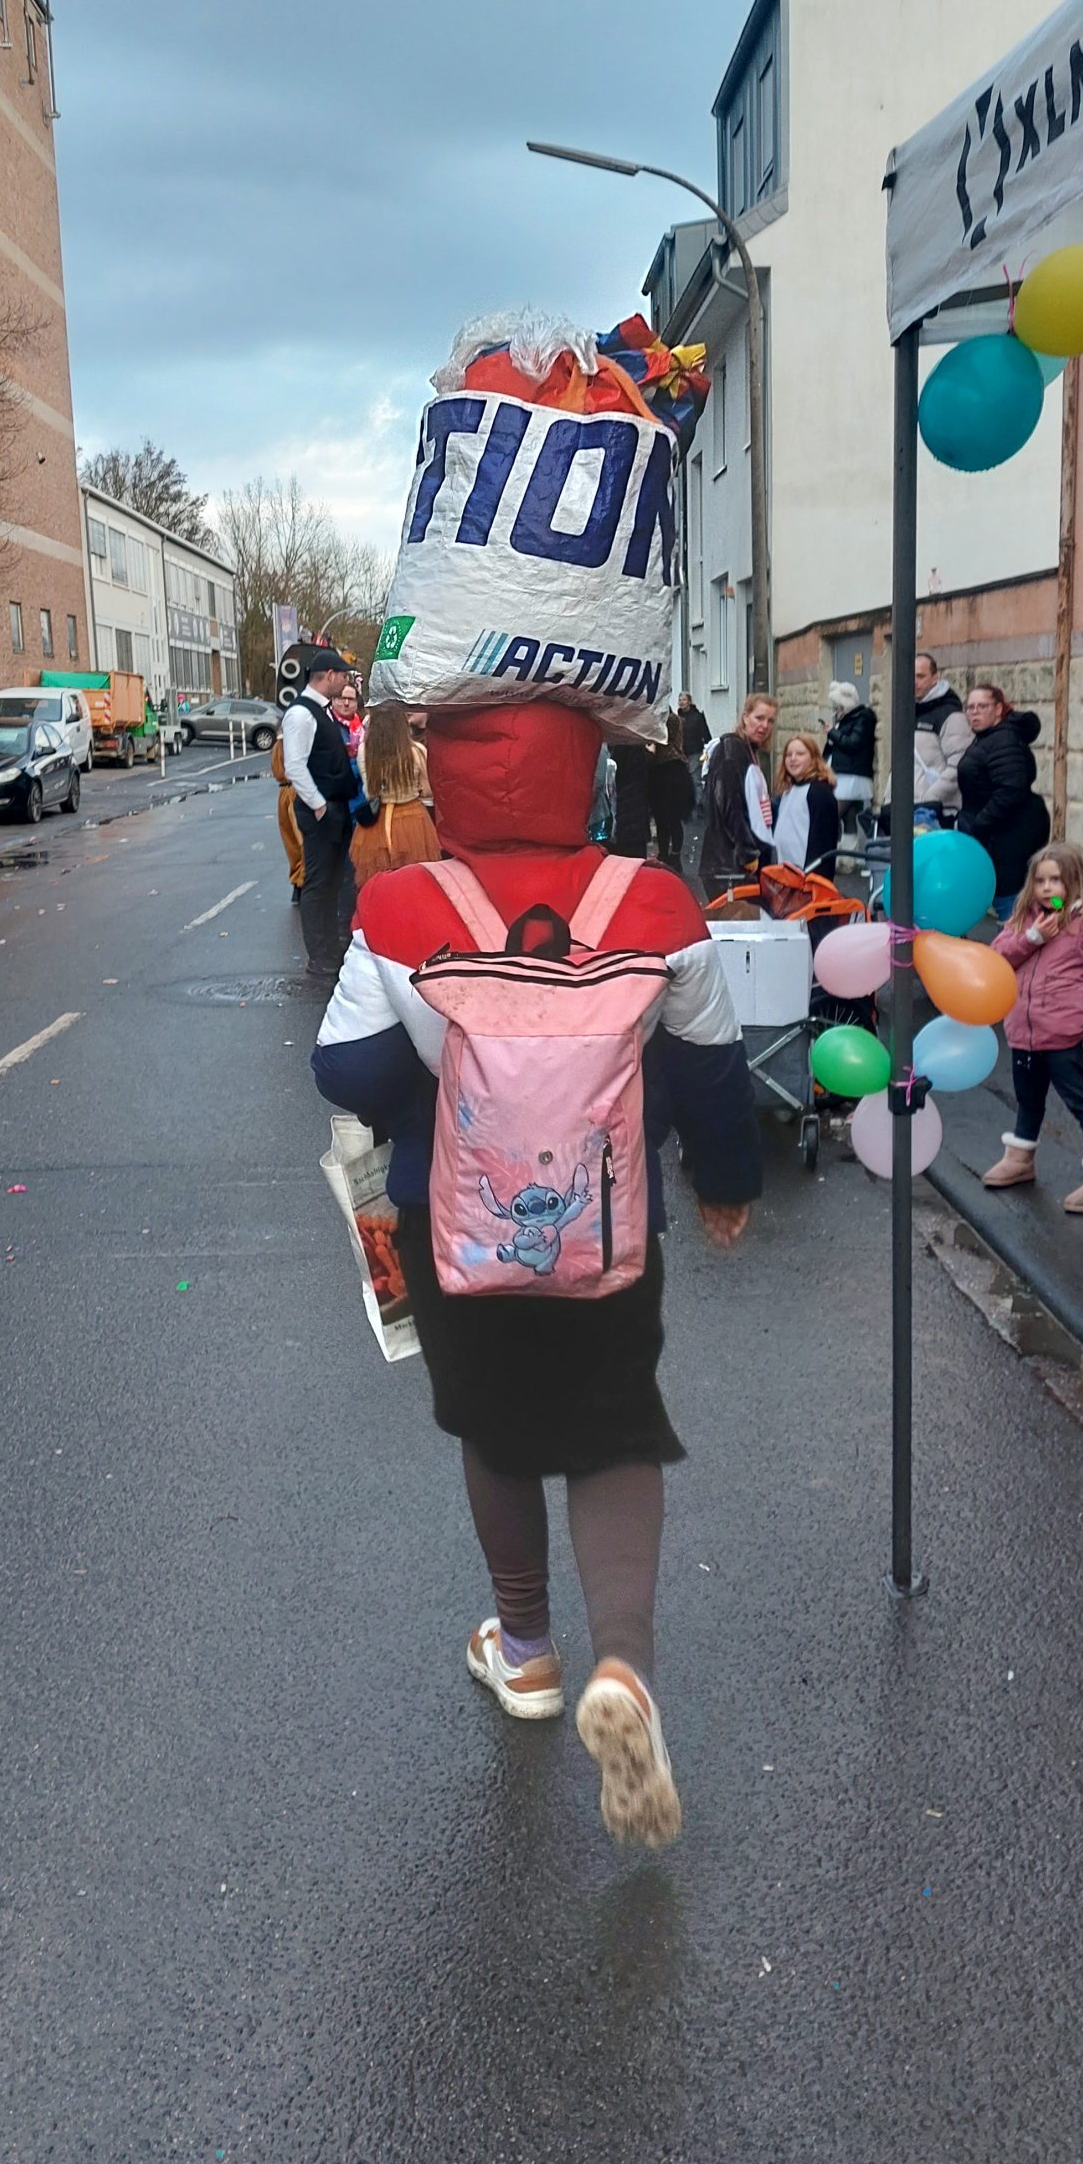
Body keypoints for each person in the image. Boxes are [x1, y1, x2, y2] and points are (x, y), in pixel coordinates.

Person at [314, 700, 762, 1850]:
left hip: (451, 1217)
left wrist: (447, 1094)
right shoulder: (653, 902)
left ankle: (524, 1651)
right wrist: (724, 1182)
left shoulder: (399, 904)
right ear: (584, 774)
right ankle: (625, 1667)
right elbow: (712, 1066)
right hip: (608, 1216)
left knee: (496, 1425)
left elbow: (346, 1068)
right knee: (613, 1426)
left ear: (450, 779)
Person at [984, 844, 1083, 1213]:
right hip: (1023, 1030)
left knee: (1081, 1100)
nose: (1047, 888)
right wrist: (1032, 939)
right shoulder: (1024, 920)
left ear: (1073, 881)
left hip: (1061, 1034)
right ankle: (1021, 1156)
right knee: (1028, 1097)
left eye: (1055, 880)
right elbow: (996, 958)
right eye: (1040, 881)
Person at [280, 643, 359, 985]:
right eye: (342, 675)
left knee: (332, 882)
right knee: (318, 883)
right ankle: (319, 955)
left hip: (333, 808)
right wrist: (320, 806)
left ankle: (329, 949)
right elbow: (295, 766)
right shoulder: (301, 714)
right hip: (321, 812)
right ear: (329, 675)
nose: (345, 682)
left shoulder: (320, 710)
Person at [956, 683, 1051, 919]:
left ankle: (1021, 938)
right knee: (1014, 899)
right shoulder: (988, 737)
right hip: (1000, 833)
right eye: (970, 707)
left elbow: (1011, 790)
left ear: (998, 709)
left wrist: (978, 823)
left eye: (982, 706)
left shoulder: (1003, 739)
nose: (975, 712)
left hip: (1010, 835)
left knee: (1011, 901)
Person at [348, 701, 442, 890]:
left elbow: (369, 790)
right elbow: (428, 791)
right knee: (414, 879)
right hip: (412, 818)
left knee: (378, 880)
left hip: (378, 822)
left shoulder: (365, 752)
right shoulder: (416, 751)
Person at [699, 692, 778, 895]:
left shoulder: (747, 750)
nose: (765, 726)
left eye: (770, 720)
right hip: (728, 866)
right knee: (739, 915)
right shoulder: (732, 752)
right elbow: (730, 805)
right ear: (745, 717)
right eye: (759, 718)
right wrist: (747, 852)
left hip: (734, 865)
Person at [912, 653, 972, 821]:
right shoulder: (910, 711)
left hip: (934, 813)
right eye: (911, 676)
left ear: (935, 678)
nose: (914, 682)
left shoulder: (951, 715)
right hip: (907, 809)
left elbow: (958, 766)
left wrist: (928, 800)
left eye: (920, 676)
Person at [773, 733, 840, 877]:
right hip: (786, 874)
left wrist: (812, 879)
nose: (793, 758)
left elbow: (823, 843)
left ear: (813, 758)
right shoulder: (788, 791)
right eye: (789, 754)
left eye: (800, 754)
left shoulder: (819, 793)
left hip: (807, 877)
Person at [822, 682, 876, 847]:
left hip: (851, 775)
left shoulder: (863, 717)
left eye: (839, 705)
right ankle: (848, 855)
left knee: (831, 815)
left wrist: (832, 732)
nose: (837, 709)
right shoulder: (846, 719)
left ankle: (829, 852)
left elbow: (853, 743)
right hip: (843, 773)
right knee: (849, 816)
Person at [647, 714, 694, 874]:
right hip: (667, 770)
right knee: (665, 819)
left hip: (669, 770)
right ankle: (667, 855)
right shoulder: (669, 718)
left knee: (671, 818)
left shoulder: (671, 719)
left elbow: (665, 737)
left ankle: (672, 856)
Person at [271, 721, 304, 907]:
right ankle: (302, 880)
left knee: (291, 840)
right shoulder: (292, 742)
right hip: (295, 790)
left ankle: (298, 881)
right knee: (301, 840)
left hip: (285, 791)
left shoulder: (280, 743)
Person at [677, 690, 711, 810]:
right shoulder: (678, 718)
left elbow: (706, 735)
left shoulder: (697, 717)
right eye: (680, 700)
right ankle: (687, 805)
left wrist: (707, 752)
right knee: (684, 780)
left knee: (695, 779)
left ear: (689, 702)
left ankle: (699, 805)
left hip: (695, 752)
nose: (681, 702)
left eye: (684, 700)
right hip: (681, 754)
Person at [333, 680, 364, 763]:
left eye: (350, 699)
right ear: (333, 700)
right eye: (342, 698)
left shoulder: (364, 726)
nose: (346, 703)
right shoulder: (327, 724)